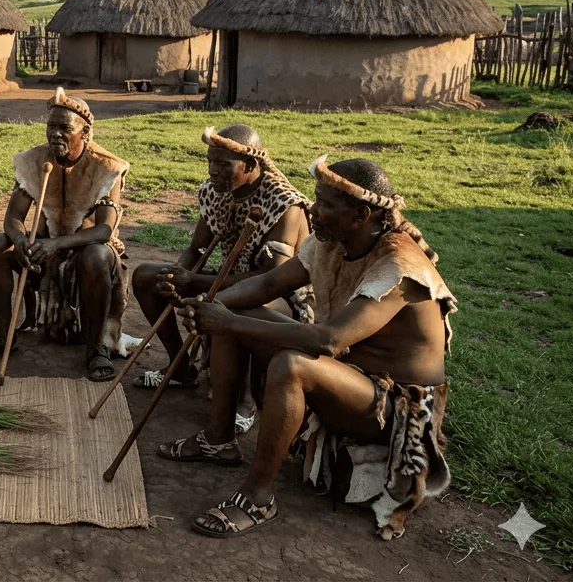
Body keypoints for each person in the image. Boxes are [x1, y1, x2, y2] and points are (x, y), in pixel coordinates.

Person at [160, 157, 455, 540]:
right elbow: (267, 287)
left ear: (361, 214)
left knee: (291, 364)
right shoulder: (331, 242)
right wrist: (212, 305)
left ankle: (258, 497)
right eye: (317, 200)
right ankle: (219, 440)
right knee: (237, 309)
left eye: (327, 204)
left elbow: (329, 340)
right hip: (350, 374)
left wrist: (225, 321)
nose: (313, 211)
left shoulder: (400, 267)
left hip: (394, 406)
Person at [130, 125, 311, 430]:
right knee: (146, 276)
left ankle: (244, 399)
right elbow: (196, 247)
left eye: (223, 165)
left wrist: (198, 283)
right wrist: (175, 276)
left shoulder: (285, 205)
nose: (213, 171)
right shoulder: (216, 191)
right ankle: (181, 367)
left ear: (250, 166)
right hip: (229, 281)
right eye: (210, 162)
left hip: (283, 297)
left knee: (237, 309)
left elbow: (272, 279)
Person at [0, 88, 129, 381]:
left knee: (96, 255)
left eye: (65, 128)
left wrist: (57, 244)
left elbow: (105, 229)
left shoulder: (106, 167)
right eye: (51, 126)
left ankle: (96, 349)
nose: (55, 134)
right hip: (41, 249)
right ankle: (4, 336)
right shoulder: (35, 161)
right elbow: (14, 217)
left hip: (87, 251)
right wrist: (20, 241)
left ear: (85, 132)